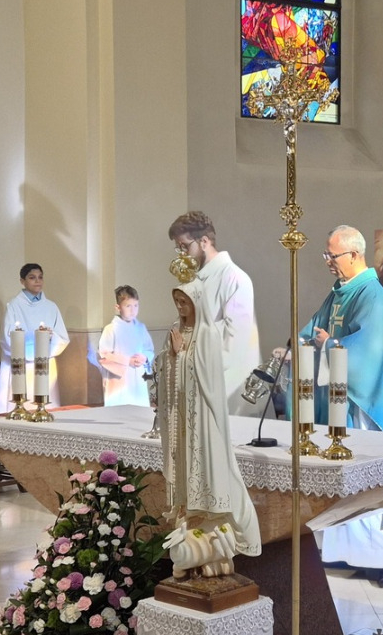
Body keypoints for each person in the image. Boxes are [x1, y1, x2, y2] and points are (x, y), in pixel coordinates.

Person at [302, 225, 383, 586]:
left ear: (353, 254)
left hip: (363, 406)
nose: (327, 262)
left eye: (331, 255)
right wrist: (294, 347)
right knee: (344, 479)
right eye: (327, 255)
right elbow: (313, 328)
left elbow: (368, 352)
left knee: (367, 480)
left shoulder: (372, 295)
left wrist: (330, 344)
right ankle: (349, 552)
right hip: (340, 402)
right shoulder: (341, 291)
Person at [158, 281, 261, 576]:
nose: (181, 308)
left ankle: (212, 532)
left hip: (202, 420)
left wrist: (181, 355)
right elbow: (166, 367)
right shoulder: (176, 330)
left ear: (197, 303)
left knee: (207, 470)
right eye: (177, 302)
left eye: (185, 302)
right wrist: (171, 356)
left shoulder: (208, 334)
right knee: (184, 469)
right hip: (182, 417)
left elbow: (207, 378)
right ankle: (190, 529)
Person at [168, 212, 261, 414]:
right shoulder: (196, 279)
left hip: (226, 388)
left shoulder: (234, 277)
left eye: (185, 247)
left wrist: (192, 357)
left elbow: (236, 343)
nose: (181, 254)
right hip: (198, 379)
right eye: (179, 248)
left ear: (204, 241)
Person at [0, 263, 70, 407]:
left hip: (44, 364)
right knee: (21, 404)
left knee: (43, 404)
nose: (37, 281)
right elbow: (7, 337)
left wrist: (51, 336)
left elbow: (62, 337)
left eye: (40, 277)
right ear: (22, 281)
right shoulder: (14, 306)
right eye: (32, 277)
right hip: (21, 364)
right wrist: (29, 350)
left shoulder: (51, 307)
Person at [97, 285, 154, 408]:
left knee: (139, 411)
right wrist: (128, 361)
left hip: (138, 379)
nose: (133, 310)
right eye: (128, 306)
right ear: (118, 307)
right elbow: (104, 355)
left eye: (136, 305)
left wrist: (144, 357)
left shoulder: (141, 328)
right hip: (119, 381)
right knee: (119, 411)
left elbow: (149, 349)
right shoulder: (111, 329)